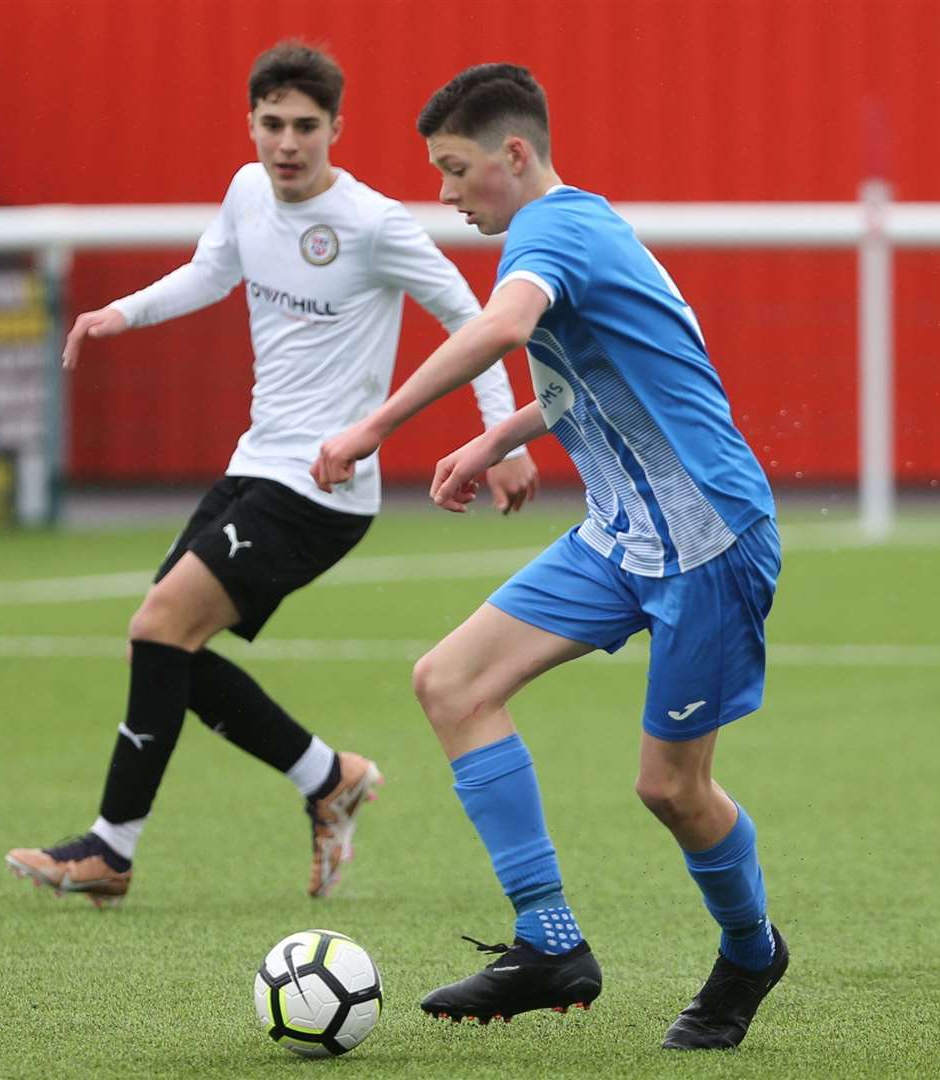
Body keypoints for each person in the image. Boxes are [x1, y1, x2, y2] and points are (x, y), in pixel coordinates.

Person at [312, 64, 785, 1050]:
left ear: (513, 155)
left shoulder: (550, 230)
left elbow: (504, 328)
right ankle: (549, 942)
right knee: (450, 682)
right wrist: (496, 439)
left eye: (454, 168)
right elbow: (605, 367)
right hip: (624, 535)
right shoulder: (580, 228)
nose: (445, 193)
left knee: (671, 791)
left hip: (707, 542)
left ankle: (750, 951)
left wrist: (372, 428)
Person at [4, 41, 537, 907]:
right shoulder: (249, 191)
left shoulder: (373, 223)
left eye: (305, 127)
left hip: (324, 488)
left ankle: (112, 848)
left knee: (158, 626)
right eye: (272, 124)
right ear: (251, 124)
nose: (286, 143)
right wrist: (120, 313)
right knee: (163, 646)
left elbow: (471, 317)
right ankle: (327, 777)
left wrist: (500, 438)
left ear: (335, 130)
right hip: (258, 463)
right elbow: (210, 272)